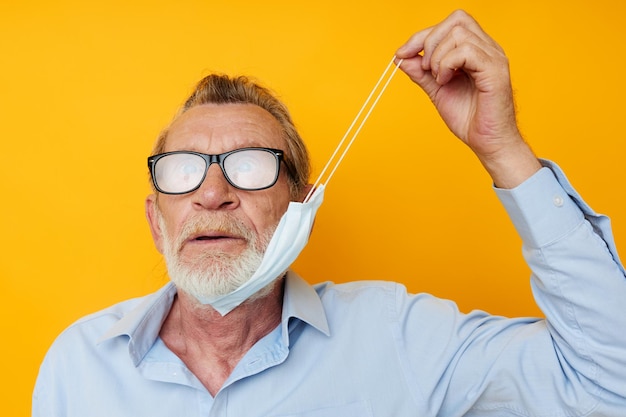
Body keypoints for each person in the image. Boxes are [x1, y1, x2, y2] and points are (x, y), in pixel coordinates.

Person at [33, 10, 626, 417]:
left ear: (301, 208)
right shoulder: (77, 366)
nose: (212, 193)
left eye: (248, 165)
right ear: (154, 219)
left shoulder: (400, 338)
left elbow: (609, 385)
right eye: (184, 170)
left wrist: (504, 150)